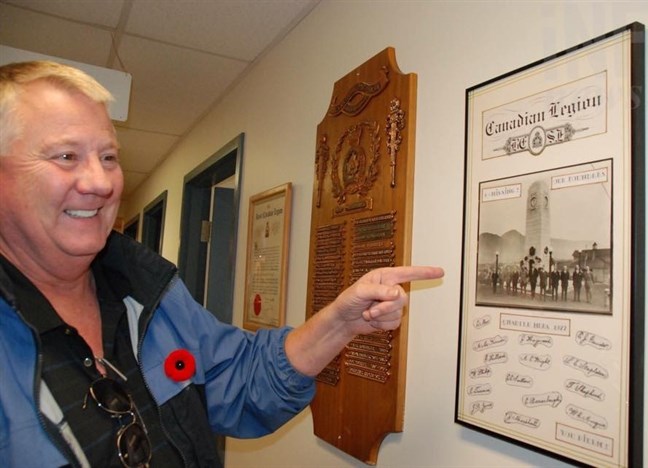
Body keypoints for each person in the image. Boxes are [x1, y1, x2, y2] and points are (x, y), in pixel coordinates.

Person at [0, 61, 444, 467]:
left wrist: (341, 321)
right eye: (65, 157)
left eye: (109, 157)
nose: (99, 182)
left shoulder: (146, 293)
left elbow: (240, 378)